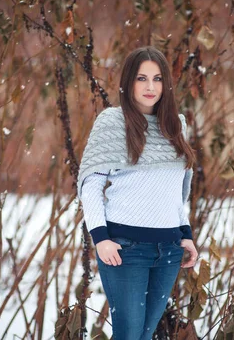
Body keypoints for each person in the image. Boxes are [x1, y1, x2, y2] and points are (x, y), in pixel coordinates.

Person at [77, 46, 198, 340]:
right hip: (125, 249)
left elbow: (173, 190)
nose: (150, 87)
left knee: (143, 336)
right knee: (129, 335)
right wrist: (101, 238)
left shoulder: (175, 125)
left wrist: (184, 233)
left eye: (157, 79)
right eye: (142, 78)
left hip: (168, 250)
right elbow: (90, 184)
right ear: (129, 81)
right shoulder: (112, 122)